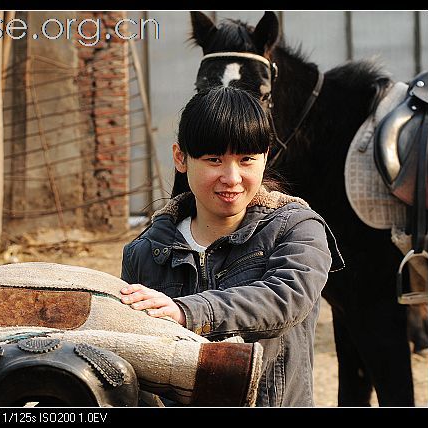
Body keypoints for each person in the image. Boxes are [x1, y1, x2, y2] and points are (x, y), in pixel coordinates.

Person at [120, 86, 344, 407]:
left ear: (265, 157)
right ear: (181, 158)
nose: (232, 177)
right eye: (214, 160)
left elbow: (285, 298)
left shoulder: (297, 229)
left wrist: (189, 311)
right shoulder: (145, 251)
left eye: (246, 160)